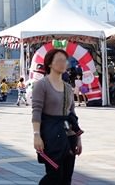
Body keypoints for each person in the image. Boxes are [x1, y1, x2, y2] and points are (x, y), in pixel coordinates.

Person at [32, 48, 83, 185]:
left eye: (64, 60)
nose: (63, 63)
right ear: (49, 63)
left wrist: (78, 138)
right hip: (51, 136)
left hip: (69, 136)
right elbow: (36, 111)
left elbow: (72, 113)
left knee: (66, 178)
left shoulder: (67, 87)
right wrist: (37, 135)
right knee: (54, 176)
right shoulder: (41, 85)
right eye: (59, 60)